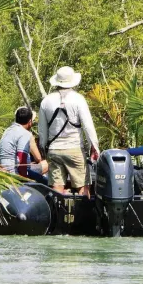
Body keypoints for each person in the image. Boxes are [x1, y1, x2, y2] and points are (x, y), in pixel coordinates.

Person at [38, 66, 99, 196]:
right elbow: (88, 126)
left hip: (54, 150)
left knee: (57, 188)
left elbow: (42, 131)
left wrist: (43, 149)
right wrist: (94, 146)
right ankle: (83, 215)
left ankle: (58, 214)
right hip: (75, 148)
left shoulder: (46, 101)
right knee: (83, 188)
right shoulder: (78, 99)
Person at [0, 106, 48, 181]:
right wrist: (25, 181)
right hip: (15, 173)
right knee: (47, 173)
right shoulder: (25, 134)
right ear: (30, 122)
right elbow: (22, 159)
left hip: (4, 170)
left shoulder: (7, 131)